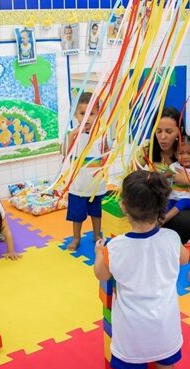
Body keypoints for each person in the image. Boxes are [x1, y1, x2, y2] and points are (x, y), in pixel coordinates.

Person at [93, 170, 189, 369]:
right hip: (164, 319)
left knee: (128, 360)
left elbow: (101, 274)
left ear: (124, 207)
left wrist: (98, 254)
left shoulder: (115, 247)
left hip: (131, 321)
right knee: (166, 357)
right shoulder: (171, 238)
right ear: (161, 207)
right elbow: (184, 259)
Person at [138, 107, 190, 243]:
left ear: (179, 132)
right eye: (158, 131)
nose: (162, 137)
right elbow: (129, 176)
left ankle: (158, 228)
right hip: (162, 202)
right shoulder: (147, 148)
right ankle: (157, 226)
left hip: (187, 206)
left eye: (169, 131)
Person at [63, 92, 108, 251]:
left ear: (98, 115)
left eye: (91, 114)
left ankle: (97, 234)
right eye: (82, 113)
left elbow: (107, 152)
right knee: (77, 214)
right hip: (78, 185)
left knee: (96, 212)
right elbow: (64, 153)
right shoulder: (73, 135)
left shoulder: (102, 135)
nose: (87, 118)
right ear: (76, 115)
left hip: (95, 184)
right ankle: (76, 237)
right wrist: (72, 136)